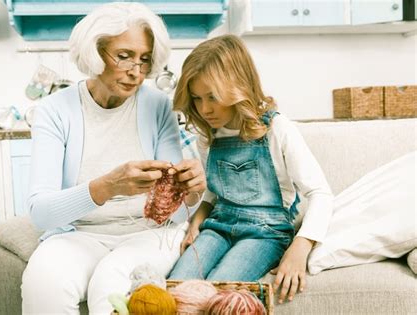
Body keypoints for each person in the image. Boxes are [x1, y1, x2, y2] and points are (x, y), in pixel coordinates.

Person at [21, 3, 206, 314]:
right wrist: (108, 186)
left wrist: (193, 191)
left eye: (144, 60)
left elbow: (175, 215)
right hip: (78, 235)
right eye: (123, 56)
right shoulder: (53, 111)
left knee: (111, 277)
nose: (136, 72)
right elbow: (41, 213)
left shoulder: (159, 106)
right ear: (96, 51)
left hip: (150, 235)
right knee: (43, 283)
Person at [168, 34, 333, 304]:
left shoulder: (276, 128)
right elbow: (213, 191)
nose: (205, 109)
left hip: (266, 233)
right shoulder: (208, 135)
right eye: (197, 98)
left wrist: (301, 247)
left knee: (213, 296)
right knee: (177, 291)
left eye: (213, 97)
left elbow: (321, 193)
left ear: (238, 87)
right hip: (218, 227)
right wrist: (196, 223)